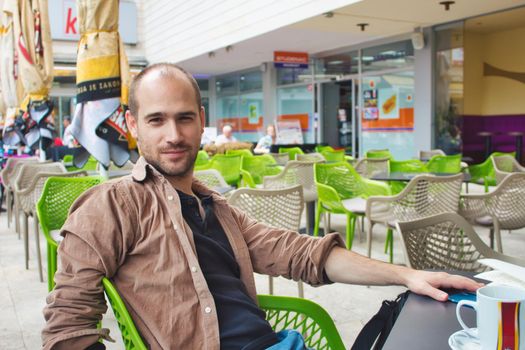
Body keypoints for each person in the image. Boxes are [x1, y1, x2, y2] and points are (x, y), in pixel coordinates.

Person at [42, 63, 481, 350]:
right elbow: (66, 329)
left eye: (185, 118)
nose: (173, 134)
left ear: (201, 121)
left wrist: (406, 274)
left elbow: (304, 255)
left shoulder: (217, 208)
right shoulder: (112, 206)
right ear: (134, 126)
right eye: (157, 120)